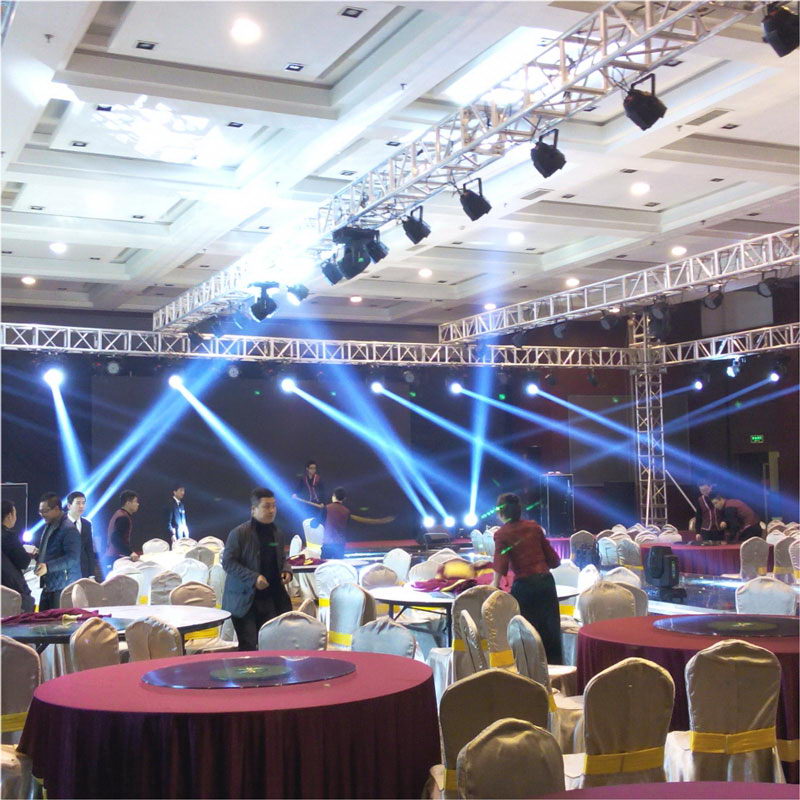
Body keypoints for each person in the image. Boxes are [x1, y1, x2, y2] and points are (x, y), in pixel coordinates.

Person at [491, 492, 563, 664]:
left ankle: (531, 670)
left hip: (525, 587)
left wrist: (494, 585)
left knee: (528, 632)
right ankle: (556, 670)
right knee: (551, 632)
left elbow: (500, 563)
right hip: (546, 583)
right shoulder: (534, 527)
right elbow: (554, 560)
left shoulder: (502, 534)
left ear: (500, 512)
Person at [222, 488, 293, 651]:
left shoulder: (277, 533)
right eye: (266, 506)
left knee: (270, 644)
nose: (272, 510)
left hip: (270, 598)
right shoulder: (239, 533)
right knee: (248, 646)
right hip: (245, 600)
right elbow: (228, 563)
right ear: (253, 509)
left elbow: (282, 558)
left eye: (274, 506)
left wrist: (286, 570)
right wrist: (253, 578)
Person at [312, 487, 395, 559]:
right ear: (344, 498)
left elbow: (313, 525)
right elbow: (347, 528)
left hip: (327, 545)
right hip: (340, 546)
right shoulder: (346, 511)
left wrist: (321, 512)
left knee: (324, 567)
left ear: (333, 496)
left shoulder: (326, 509)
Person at [35, 492, 82, 611]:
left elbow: (72, 558)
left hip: (63, 588)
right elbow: (52, 553)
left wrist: (48, 567)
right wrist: (37, 555)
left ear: (56, 509)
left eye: (45, 511)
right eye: (40, 511)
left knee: (58, 622)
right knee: (43, 620)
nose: (42, 515)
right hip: (50, 586)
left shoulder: (69, 529)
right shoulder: (50, 525)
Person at [1, 499, 35, 612]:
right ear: (9, 516)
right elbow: (23, 562)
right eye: (15, 514)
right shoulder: (9, 536)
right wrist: (27, 553)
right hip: (12, 589)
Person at [66, 491, 102, 581]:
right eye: (78, 503)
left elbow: (89, 549)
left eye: (83, 503)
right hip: (65, 572)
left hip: (83, 570)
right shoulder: (59, 523)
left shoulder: (87, 524)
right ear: (69, 506)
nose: (81, 506)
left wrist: (92, 574)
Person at [105, 490, 141, 570]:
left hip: (112, 556)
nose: (138, 504)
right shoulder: (123, 517)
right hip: (116, 558)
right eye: (135, 501)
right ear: (128, 503)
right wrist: (130, 553)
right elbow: (115, 539)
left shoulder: (119, 513)